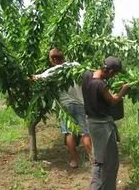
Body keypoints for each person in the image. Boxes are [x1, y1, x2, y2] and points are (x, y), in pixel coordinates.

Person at [32, 48, 92, 169]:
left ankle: (74, 161)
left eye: (50, 59)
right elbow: (88, 74)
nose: (50, 62)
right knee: (84, 132)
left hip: (66, 106)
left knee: (68, 133)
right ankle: (92, 159)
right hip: (80, 103)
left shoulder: (54, 70)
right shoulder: (76, 65)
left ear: (54, 59)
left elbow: (37, 78)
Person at [82, 56, 129, 190]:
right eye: (115, 74)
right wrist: (122, 91)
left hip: (91, 122)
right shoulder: (100, 85)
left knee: (99, 159)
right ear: (111, 72)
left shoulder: (87, 75)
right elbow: (113, 101)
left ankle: (97, 186)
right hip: (102, 126)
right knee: (108, 163)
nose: (114, 77)